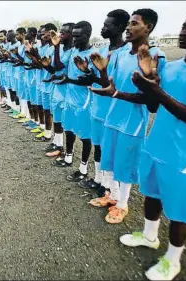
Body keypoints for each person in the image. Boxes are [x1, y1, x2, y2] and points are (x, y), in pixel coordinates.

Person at [111, 6, 186, 280]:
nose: (185, 32)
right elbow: (154, 106)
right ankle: (149, 235)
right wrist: (146, 83)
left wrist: (155, 89)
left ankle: (172, 260)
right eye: (185, 25)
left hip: (185, 156)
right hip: (156, 145)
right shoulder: (173, 67)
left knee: (179, 211)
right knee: (152, 195)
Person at [89, 9, 167, 224]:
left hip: (132, 121)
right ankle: (112, 196)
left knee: (126, 163)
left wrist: (118, 93)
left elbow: (152, 102)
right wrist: (103, 73)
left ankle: (122, 205)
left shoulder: (156, 56)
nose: (128, 28)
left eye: (134, 24)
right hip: (112, 116)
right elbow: (110, 85)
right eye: (128, 24)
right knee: (112, 159)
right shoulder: (122, 54)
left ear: (148, 28)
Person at [78, 9, 130, 200]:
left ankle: (112, 189)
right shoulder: (99, 51)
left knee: (111, 151)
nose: (102, 28)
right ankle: (99, 180)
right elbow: (95, 79)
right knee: (98, 145)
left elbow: (113, 85)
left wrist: (98, 75)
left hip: (114, 111)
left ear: (119, 28)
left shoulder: (126, 54)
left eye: (107, 25)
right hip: (97, 108)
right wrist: (86, 72)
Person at [50, 21, 96, 184]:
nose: (75, 39)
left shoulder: (93, 54)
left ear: (88, 35)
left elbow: (89, 81)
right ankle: (68, 158)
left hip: (84, 103)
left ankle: (83, 169)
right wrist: (56, 47)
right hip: (69, 100)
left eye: (78, 36)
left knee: (85, 137)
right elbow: (58, 66)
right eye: (74, 36)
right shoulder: (72, 51)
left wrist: (68, 79)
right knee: (68, 130)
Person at [42, 23, 75, 158]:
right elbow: (55, 68)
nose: (61, 35)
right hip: (57, 88)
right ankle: (58, 144)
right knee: (56, 118)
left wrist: (56, 48)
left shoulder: (72, 51)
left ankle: (67, 151)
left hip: (67, 91)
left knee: (66, 122)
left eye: (64, 33)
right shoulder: (60, 48)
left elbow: (60, 65)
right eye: (60, 32)